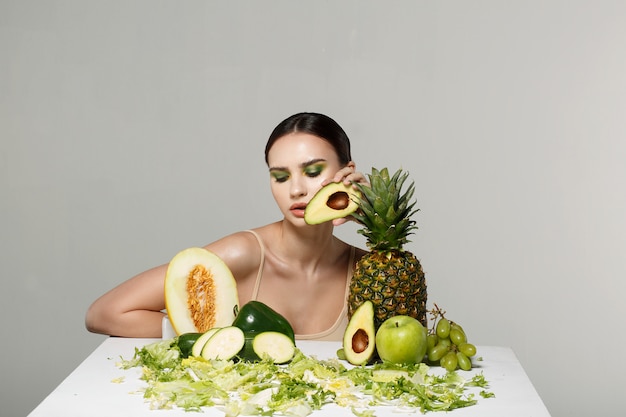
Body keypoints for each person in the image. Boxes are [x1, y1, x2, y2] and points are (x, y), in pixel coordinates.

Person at [85, 112, 369, 341]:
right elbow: (105, 313)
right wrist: (207, 333)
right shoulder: (243, 253)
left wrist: (375, 216)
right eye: (280, 177)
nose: (296, 190)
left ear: (347, 173)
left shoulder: (369, 269)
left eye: (312, 172)